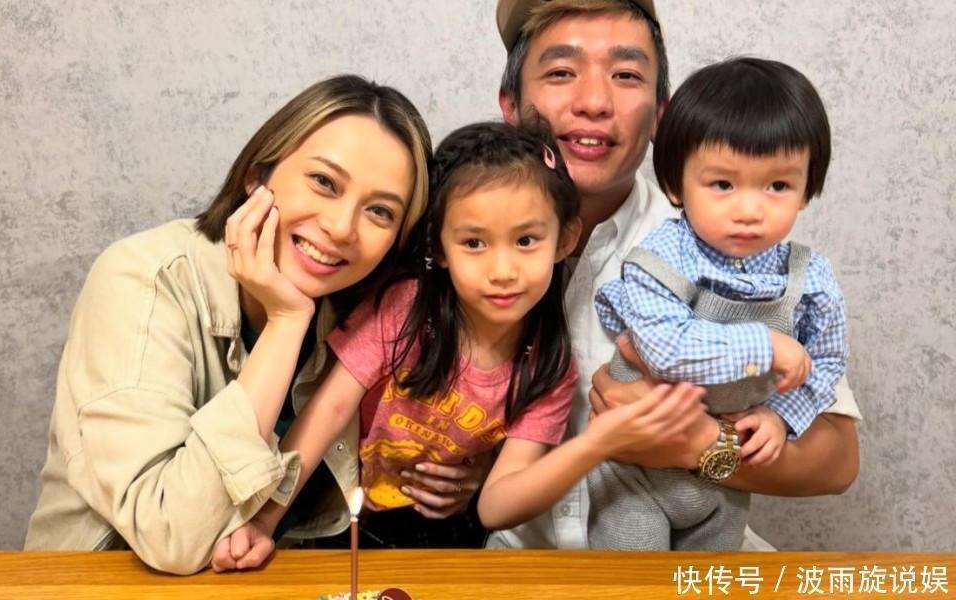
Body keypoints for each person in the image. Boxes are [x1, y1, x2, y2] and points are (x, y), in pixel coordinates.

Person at [23, 74, 477, 574]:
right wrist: (286, 321)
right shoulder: (144, 278)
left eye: (380, 212)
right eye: (324, 183)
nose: (341, 227)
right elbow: (170, 535)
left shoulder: (362, 310)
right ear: (258, 176)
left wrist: (466, 476)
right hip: (101, 583)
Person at [209, 122, 708, 571]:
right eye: (474, 243)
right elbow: (328, 409)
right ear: (439, 248)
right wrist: (265, 521)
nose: (503, 271)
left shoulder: (549, 365)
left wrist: (599, 444)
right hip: (350, 522)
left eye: (526, 241)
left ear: (565, 239)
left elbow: (496, 506)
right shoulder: (405, 311)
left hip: (457, 537)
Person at [488, 0, 861, 550]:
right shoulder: (459, 235)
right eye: (562, 72)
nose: (594, 102)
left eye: (626, 75)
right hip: (523, 561)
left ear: (662, 115)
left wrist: (700, 443)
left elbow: (838, 459)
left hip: (693, 551)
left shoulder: (724, 248)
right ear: (511, 104)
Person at [588, 57, 848, 550]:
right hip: (632, 477)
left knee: (710, 577)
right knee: (634, 578)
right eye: (723, 184)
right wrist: (766, 345)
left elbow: (826, 363)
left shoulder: (809, 280)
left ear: (806, 189)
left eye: (778, 186)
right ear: (675, 185)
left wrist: (780, 415)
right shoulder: (660, 258)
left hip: (722, 486)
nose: (749, 210)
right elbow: (667, 349)